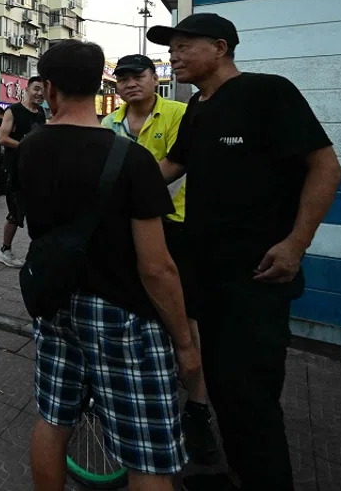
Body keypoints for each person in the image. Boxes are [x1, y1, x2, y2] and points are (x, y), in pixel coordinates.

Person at [150, 14, 341, 491]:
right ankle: (238, 476)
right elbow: (173, 165)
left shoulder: (267, 92)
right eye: (170, 47)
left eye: (183, 46)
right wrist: (109, 183)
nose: (173, 55)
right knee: (221, 381)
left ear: (220, 48)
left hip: (258, 275)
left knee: (251, 395)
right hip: (208, 272)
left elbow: (327, 168)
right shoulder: (197, 107)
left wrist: (296, 244)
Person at [21, 40, 201, 491]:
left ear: (50, 90)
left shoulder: (29, 148)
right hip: (123, 315)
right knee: (147, 457)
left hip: (55, 305)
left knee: (53, 421)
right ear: (100, 86)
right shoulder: (132, 158)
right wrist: (184, 342)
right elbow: (158, 267)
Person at [101, 53, 217, 462]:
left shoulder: (180, 114)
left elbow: (178, 165)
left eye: (139, 76)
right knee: (138, 305)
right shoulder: (109, 123)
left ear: (155, 79)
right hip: (126, 228)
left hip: (177, 225)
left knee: (184, 314)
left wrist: (131, 184)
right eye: (123, 79)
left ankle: (199, 406)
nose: (130, 84)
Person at [0, 75, 47, 268]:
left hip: (36, 170)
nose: (39, 93)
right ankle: (5, 251)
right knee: (16, 212)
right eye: (36, 89)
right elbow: (3, 138)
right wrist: (26, 147)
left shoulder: (41, 112)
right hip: (15, 169)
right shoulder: (13, 111)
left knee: (37, 209)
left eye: (43, 90)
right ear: (26, 89)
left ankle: (38, 250)